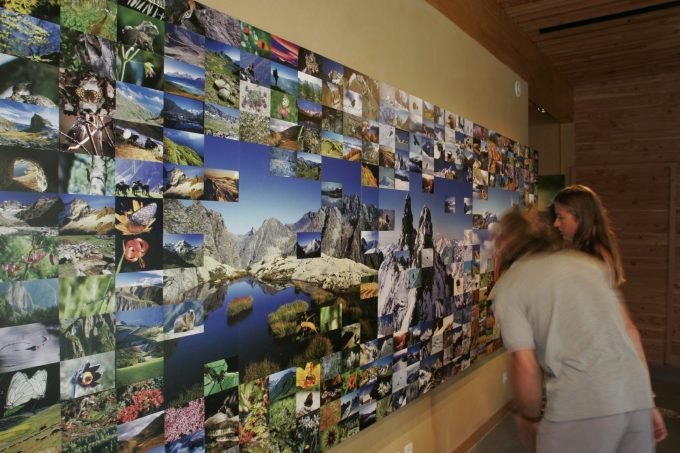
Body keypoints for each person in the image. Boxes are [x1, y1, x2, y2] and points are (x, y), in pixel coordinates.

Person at [492, 206, 666, 452]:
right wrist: (648, 403)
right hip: (634, 398)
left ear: (507, 241)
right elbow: (630, 332)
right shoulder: (589, 265)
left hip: (582, 404)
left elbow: (526, 366)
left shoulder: (510, 286)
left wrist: (529, 417)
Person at [551, 184, 667, 442]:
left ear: (580, 217)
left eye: (562, 217)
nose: (557, 224)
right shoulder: (587, 257)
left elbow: (626, 330)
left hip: (595, 385)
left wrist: (646, 401)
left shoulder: (588, 262)